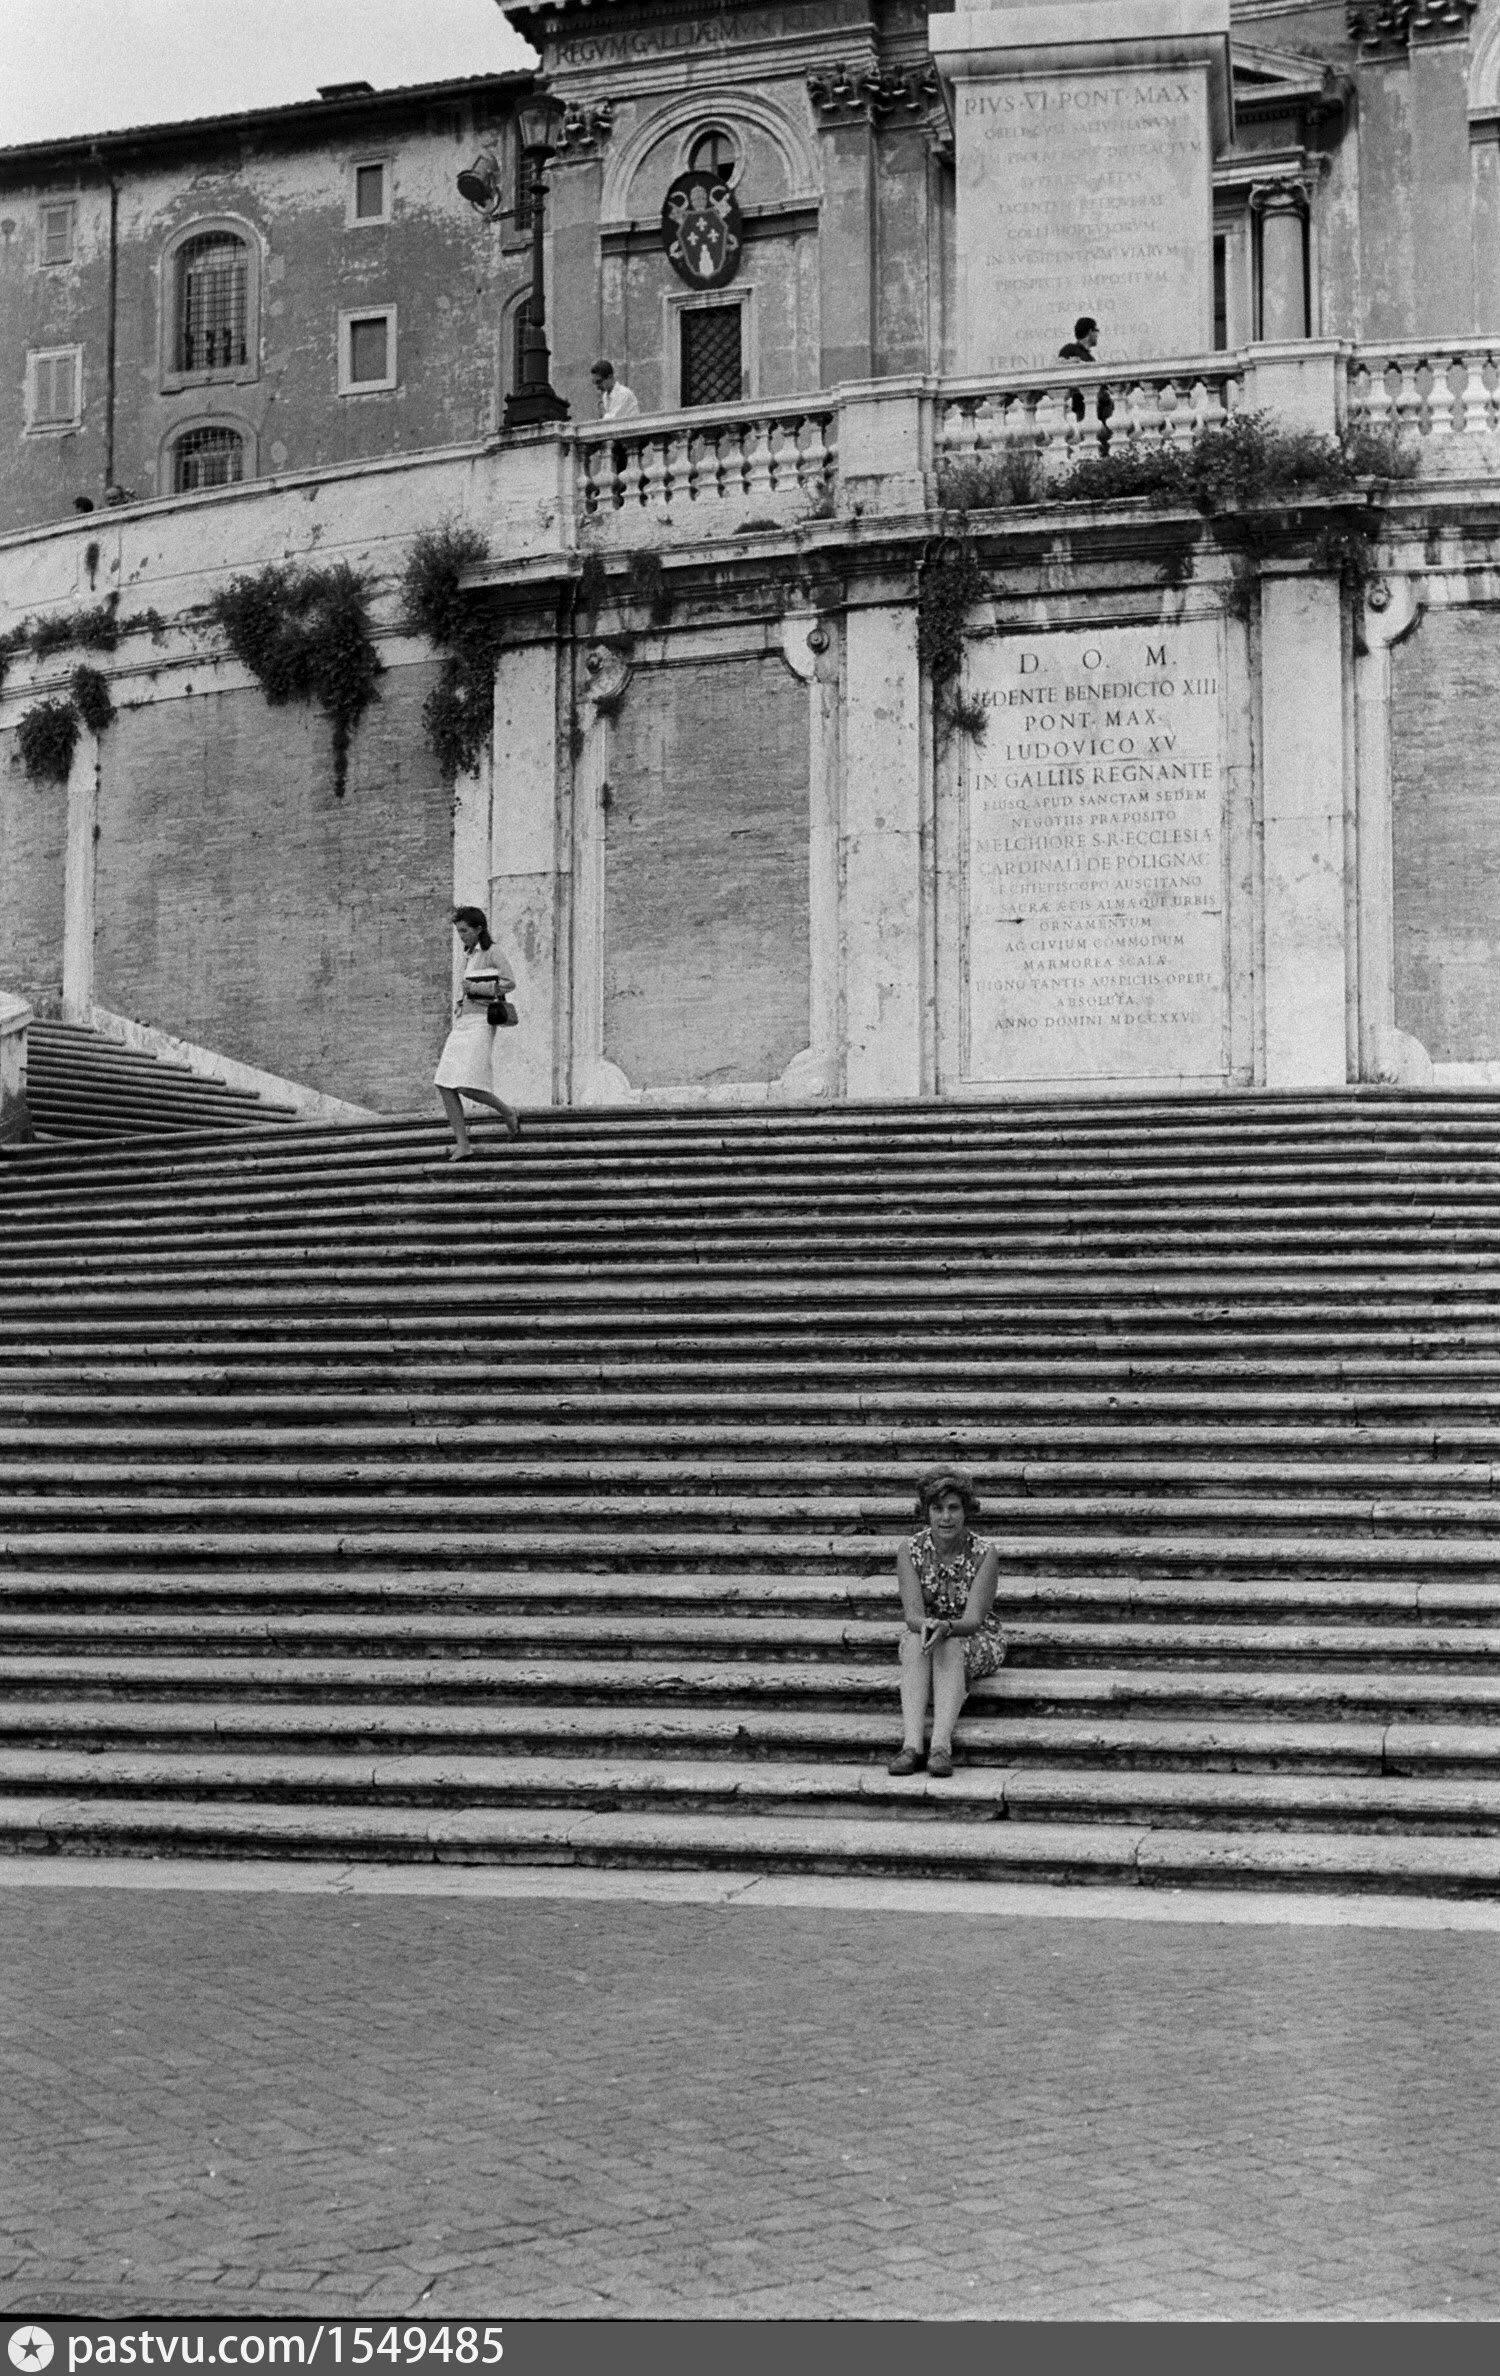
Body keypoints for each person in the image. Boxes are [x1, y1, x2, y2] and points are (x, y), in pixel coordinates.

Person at [888, 1468, 1004, 1780]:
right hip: (926, 1633)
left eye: (954, 1508)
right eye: (938, 1508)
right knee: (914, 1642)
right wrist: (929, 1626)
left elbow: (973, 1619)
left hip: (975, 1636)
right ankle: (912, 1746)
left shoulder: (984, 1553)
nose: (946, 1517)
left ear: (966, 1511)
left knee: (950, 1645)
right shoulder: (910, 1549)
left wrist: (947, 1628)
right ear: (926, 1512)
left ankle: (940, 1746)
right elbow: (912, 1615)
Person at [434, 905, 520, 1160]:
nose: (461, 936)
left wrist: (475, 989)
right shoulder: (468, 955)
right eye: (458, 931)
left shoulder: (492, 952)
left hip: (481, 1022)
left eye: (464, 931)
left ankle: (507, 1112)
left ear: (478, 929)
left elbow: (509, 982)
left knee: (467, 1085)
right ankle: (463, 1144)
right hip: (462, 1023)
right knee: (444, 1083)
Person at [1058, 315, 1113, 441]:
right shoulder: (1070, 349)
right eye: (1096, 331)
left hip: (1103, 403)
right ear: (1090, 331)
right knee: (1093, 438)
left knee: (1105, 439)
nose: (1097, 335)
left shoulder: (1090, 357)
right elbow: (1058, 365)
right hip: (1084, 405)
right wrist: (1072, 362)